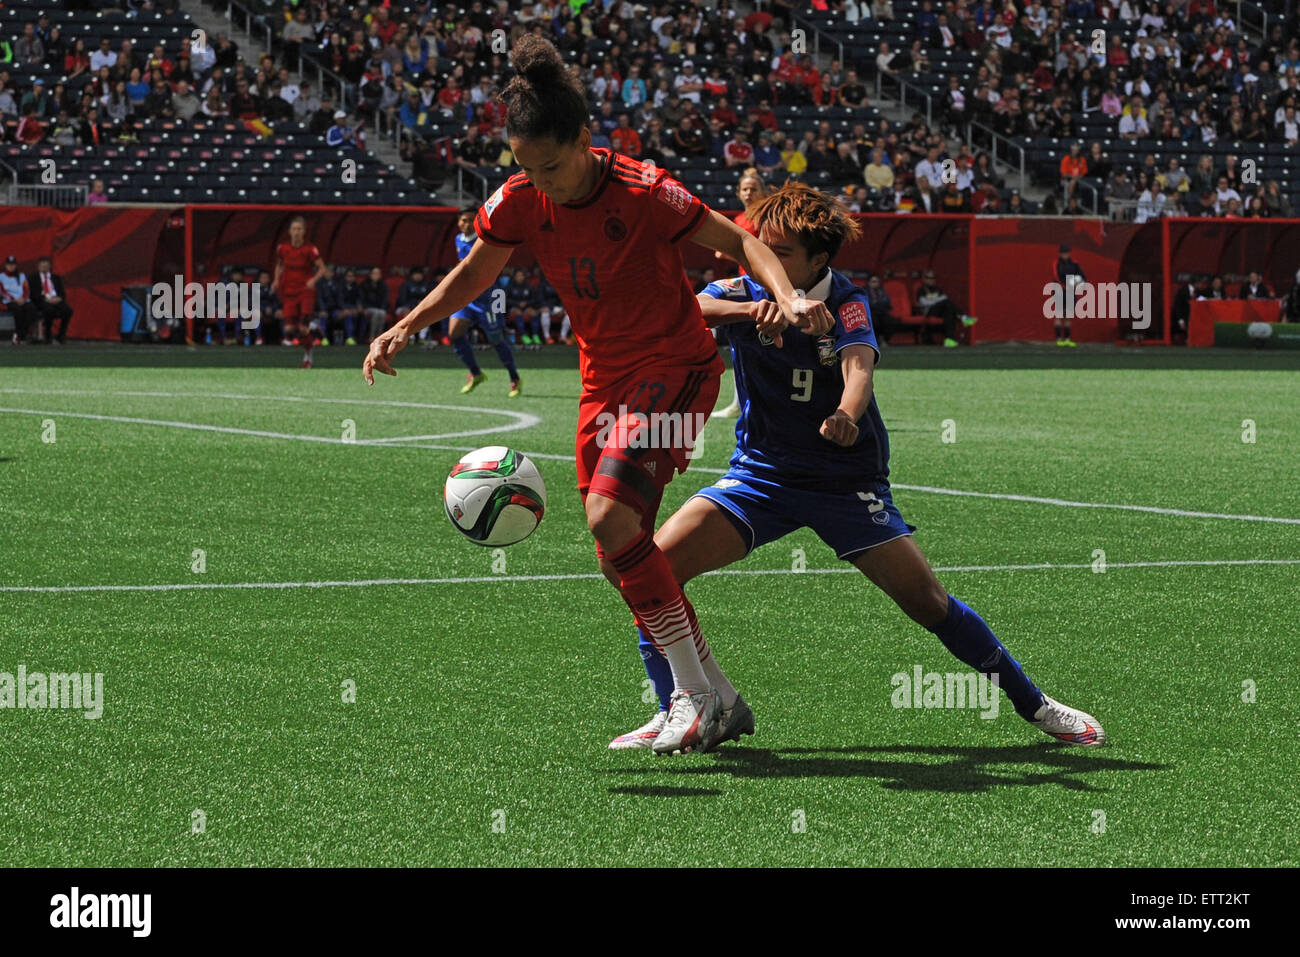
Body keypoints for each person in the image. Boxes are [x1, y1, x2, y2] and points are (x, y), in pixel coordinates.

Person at [364, 35, 834, 755]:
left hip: (674, 367)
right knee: (616, 550)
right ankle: (721, 699)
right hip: (603, 379)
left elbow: (740, 243)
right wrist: (406, 324)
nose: (540, 181)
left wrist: (788, 297)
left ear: (585, 139)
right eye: (525, 166)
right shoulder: (519, 200)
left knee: (611, 516)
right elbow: (475, 275)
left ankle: (691, 696)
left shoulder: (644, 189)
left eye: (551, 164)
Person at [612, 182, 1105, 751]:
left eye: (783, 251)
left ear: (818, 260)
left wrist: (846, 415)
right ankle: (686, 704)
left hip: (844, 483)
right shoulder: (743, 289)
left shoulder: (846, 302)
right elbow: (693, 308)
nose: (764, 258)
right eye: (758, 245)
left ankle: (1037, 705)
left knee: (928, 603)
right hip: (760, 475)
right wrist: (757, 308)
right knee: (651, 574)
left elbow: (859, 369)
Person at [712, 169, 770, 419]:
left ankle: (755, 402)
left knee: (764, 347)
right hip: (746, 286)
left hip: (765, 286)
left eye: (753, 189)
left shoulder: (768, 218)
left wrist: (732, 252)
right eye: (745, 189)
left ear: (763, 192)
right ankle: (740, 402)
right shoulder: (738, 219)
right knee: (742, 346)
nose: (748, 193)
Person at [447, 207, 522, 396]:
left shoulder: (485, 240)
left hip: (488, 298)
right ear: (458, 222)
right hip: (467, 297)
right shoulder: (458, 239)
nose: (466, 224)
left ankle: (514, 378)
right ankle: (475, 373)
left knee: (496, 339)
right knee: (454, 333)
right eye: (463, 220)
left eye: (470, 220)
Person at [270, 216, 326, 368]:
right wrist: (276, 280)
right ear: (289, 231)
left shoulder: (310, 249)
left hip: (305, 291)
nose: (296, 232)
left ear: (304, 231)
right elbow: (279, 265)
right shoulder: (283, 249)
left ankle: (308, 357)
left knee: (302, 328)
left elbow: (322, 268)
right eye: (294, 229)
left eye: (299, 229)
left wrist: (312, 281)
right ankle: (315, 328)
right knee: (289, 329)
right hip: (288, 291)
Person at [29, 256, 72, 344]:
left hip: (55, 299)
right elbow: (33, 294)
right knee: (49, 310)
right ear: (38, 267)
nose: (44, 268)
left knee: (68, 311)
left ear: (50, 267)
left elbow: (62, 292)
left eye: (46, 266)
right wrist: (46, 299)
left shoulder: (56, 277)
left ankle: (61, 335)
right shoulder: (33, 278)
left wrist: (59, 298)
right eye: (42, 266)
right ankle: (48, 335)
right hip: (42, 301)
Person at [1, 255, 38, 344]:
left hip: (23, 300)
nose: (11, 266)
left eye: (13, 264)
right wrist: (14, 299)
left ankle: (20, 334)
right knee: (18, 311)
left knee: (32, 309)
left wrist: (24, 299)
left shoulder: (21, 276)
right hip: (10, 301)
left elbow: (26, 289)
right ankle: (20, 336)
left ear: (16, 265)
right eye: (9, 264)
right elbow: (2, 291)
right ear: (5, 265)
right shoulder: (1, 277)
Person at [1052, 244, 1085, 346]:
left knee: (1068, 316)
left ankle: (1067, 339)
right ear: (1060, 253)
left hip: (1070, 292)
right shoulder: (1056, 263)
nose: (1065, 254)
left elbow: (1082, 276)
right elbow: (1056, 277)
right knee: (1059, 315)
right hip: (1059, 291)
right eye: (1063, 252)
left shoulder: (1074, 264)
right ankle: (1058, 339)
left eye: (1066, 252)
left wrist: (1079, 282)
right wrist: (1068, 285)